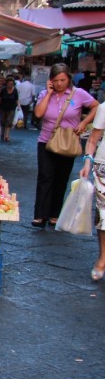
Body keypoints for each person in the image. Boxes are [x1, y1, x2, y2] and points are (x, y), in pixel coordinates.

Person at [31, 63, 98, 228]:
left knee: (61, 179)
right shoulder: (44, 94)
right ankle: (40, 215)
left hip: (68, 142)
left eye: (62, 80)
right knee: (45, 177)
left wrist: (84, 122)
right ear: (50, 81)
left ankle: (55, 214)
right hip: (46, 140)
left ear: (69, 79)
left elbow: (96, 106)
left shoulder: (79, 94)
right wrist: (48, 93)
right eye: (56, 80)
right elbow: (38, 113)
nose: (59, 83)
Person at [80, 109, 105, 280]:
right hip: (103, 167)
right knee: (103, 216)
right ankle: (103, 257)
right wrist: (87, 161)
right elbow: (93, 140)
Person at [0, 77, 19, 142]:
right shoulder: (3, 90)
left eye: (11, 84)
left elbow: (16, 99)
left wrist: (19, 106)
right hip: (3, 108)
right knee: (2, 121)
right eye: (9, 84)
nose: (10, 85)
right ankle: (2, 134)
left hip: (11, 108)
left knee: (9, 122)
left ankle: (7, 136)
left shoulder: (15, 90)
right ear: (6, 84)